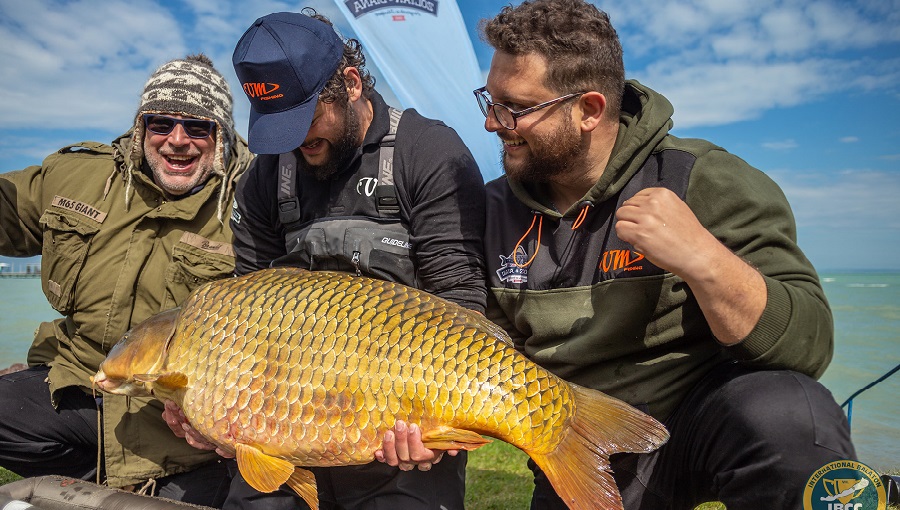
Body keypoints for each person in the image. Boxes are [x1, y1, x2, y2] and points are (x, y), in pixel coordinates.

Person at [461, 0, 858, 508]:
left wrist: (704, 259)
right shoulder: (487, 209)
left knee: (790, 414)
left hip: (706, 420)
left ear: (589, 110)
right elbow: (480, 354)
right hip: (581, 438)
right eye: (488, 100)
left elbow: (810, 345)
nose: (494, 124)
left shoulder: (705, 178)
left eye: (515, 107)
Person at [165, 10, 487, 510]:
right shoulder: (265, 178)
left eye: (305, 120)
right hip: (292, 416)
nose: (294, 143)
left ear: (351, 84)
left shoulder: (428, 151)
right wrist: (214, 406)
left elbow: (461, 302)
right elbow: (246, 314)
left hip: (401, 420)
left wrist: (435, 426)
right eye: (279, 128)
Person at [0, 53, 253, 506]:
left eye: (198, 127)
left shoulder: (256, 204)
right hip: (81, 381)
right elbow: (9, 210)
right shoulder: (78, 176)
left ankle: (149, 483)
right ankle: (98, 475)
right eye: (161, 124)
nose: (178, 141)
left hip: (183, 418)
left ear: (221, 136)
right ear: (141, 127)